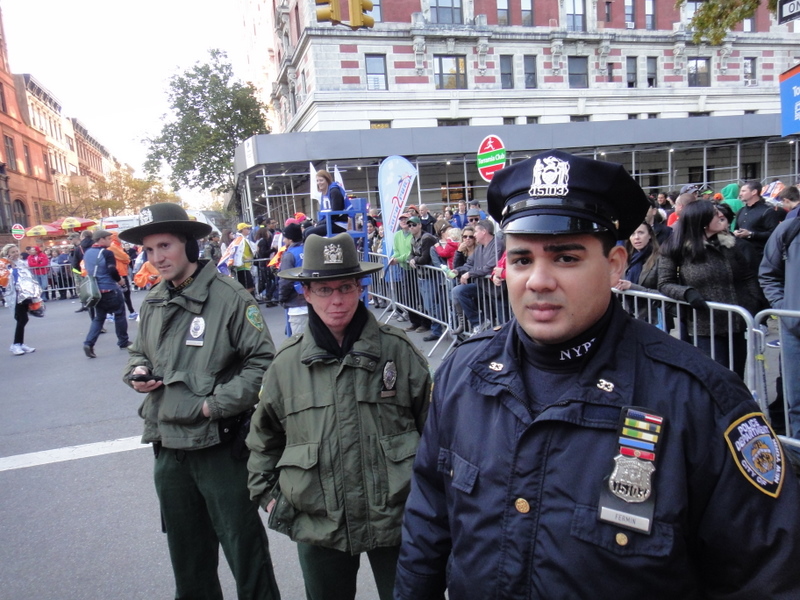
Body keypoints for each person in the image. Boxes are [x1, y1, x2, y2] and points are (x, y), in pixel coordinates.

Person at [395, 149, 800, 599]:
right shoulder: (462, 375)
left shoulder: (698, 399)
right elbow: (428, 525)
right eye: (522, 259)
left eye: (566, 258)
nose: (538, 280)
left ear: (613, 264)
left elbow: (766, 576)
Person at [246, 232, 432, 600]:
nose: (338, 300)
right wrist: (269, 497)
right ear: (306, 292)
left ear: (361, 288)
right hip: (318, 521)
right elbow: (263, 439)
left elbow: (438, 431)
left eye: (346, 287)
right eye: (325, 289)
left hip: (397, 517)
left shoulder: (397, 351)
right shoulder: (286, 364)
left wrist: (434, 503)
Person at [120, 203, 280, 600]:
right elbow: (138, 353)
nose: (157, 258)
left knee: (246, 555)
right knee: (188, 560)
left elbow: (263, 363)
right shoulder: (153, 299)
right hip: (168, 450)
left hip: (219, 450)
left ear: (189, 246)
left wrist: (215, 406)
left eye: (165, 246)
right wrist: (137, 374)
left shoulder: (228, 297)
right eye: (150, 250)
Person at [760, 211, 800, 464]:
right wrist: (784, 308)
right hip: (794, 329)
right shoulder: (789, 230)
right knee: (796, 399)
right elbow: (768, 273)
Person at [82, 230, 130, 358]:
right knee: (119, 314)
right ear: (101, 239)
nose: (111, 241)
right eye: (109, 238)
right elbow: (111, 269)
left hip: (96, 291)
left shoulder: (87, 253)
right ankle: (123, 341)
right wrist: (120, 281)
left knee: (99, 318)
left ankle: (89, 343)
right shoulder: (107, 253)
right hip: (109, 288)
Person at [452, 219, 504, 333]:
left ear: (484, 231)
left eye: (475, 232)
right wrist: (457, 271)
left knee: (503, 322)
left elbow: (489, 267)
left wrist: (469, 273)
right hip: (482, 287)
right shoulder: (479, 248)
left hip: (497, 290)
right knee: (458, 291)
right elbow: (469, 264)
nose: (474, 235)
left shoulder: (498, 244)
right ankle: (479, 322)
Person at [614, 221, 663, 326]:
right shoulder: (627, 258)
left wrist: (632, 287)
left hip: (652, 318)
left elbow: (664, 292)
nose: (636, 237)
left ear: (650, 235)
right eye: (632, 234)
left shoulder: (660, 258)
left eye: (641, 233)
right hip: (629, 316)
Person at [734, 180, 782, 270]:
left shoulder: (768, 211)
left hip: (760, 257)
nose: (740, 194)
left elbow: (774, 234)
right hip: (742, 255)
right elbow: (736, 228)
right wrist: (735, 233)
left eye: (743, 191)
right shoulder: (741, 210)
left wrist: (751, 234)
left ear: (754, 192)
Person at [408, 216, 443, 342]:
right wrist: (411, 259)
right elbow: (410, 254)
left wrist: (414, 260)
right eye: (410, 225)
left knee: (432, 305)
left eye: (414, 225)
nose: (411, 227)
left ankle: (437, 329)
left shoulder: (427, 238)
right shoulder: (413, 239)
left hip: (431, 276)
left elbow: (424, 258)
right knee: (429, 305)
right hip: (421, 275)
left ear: (420, 225)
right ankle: (437, 328)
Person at [1, 244, 37, 355]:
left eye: (17, 251)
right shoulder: (3, 264)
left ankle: (20, 343)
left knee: (23, 319)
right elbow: (5, 279)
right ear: (8, 254)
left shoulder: (21, 263)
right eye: (13, 252)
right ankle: (16, 344)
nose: (16, 253)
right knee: (22, 318)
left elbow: (27, 276)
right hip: (14, 295)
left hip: (24, 293)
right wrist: (11, 267)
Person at [277, 223, 308, 336]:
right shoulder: (309, 250)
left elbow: (285, 281)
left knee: (299, 343)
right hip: (313, 303)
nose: (284, 240)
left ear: (290, 239)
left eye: (285, 238)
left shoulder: (289, 255)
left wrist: (282, 298)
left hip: (297, 306)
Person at [305, 169, 349, 238]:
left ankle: (314, 248)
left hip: (339, 224)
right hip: (330, 222)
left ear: (327, 180)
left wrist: (319, 223)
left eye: (321, 180)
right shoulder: (324, 193)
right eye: (317, 181)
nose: (319, 183)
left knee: (309, 233)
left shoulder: (334, 192)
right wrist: (319, 223)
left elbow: (335, 214)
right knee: (305, 231)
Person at [109, 232, 137, 320]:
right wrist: (126, 259)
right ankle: (129, 312)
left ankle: (112, 313)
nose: (120, 238)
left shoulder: (116, 246)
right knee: (124, 293)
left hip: (120, 272)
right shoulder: (113, 246)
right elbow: (126, 258)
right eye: (118, 236)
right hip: (120, 273)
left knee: (121, 294)